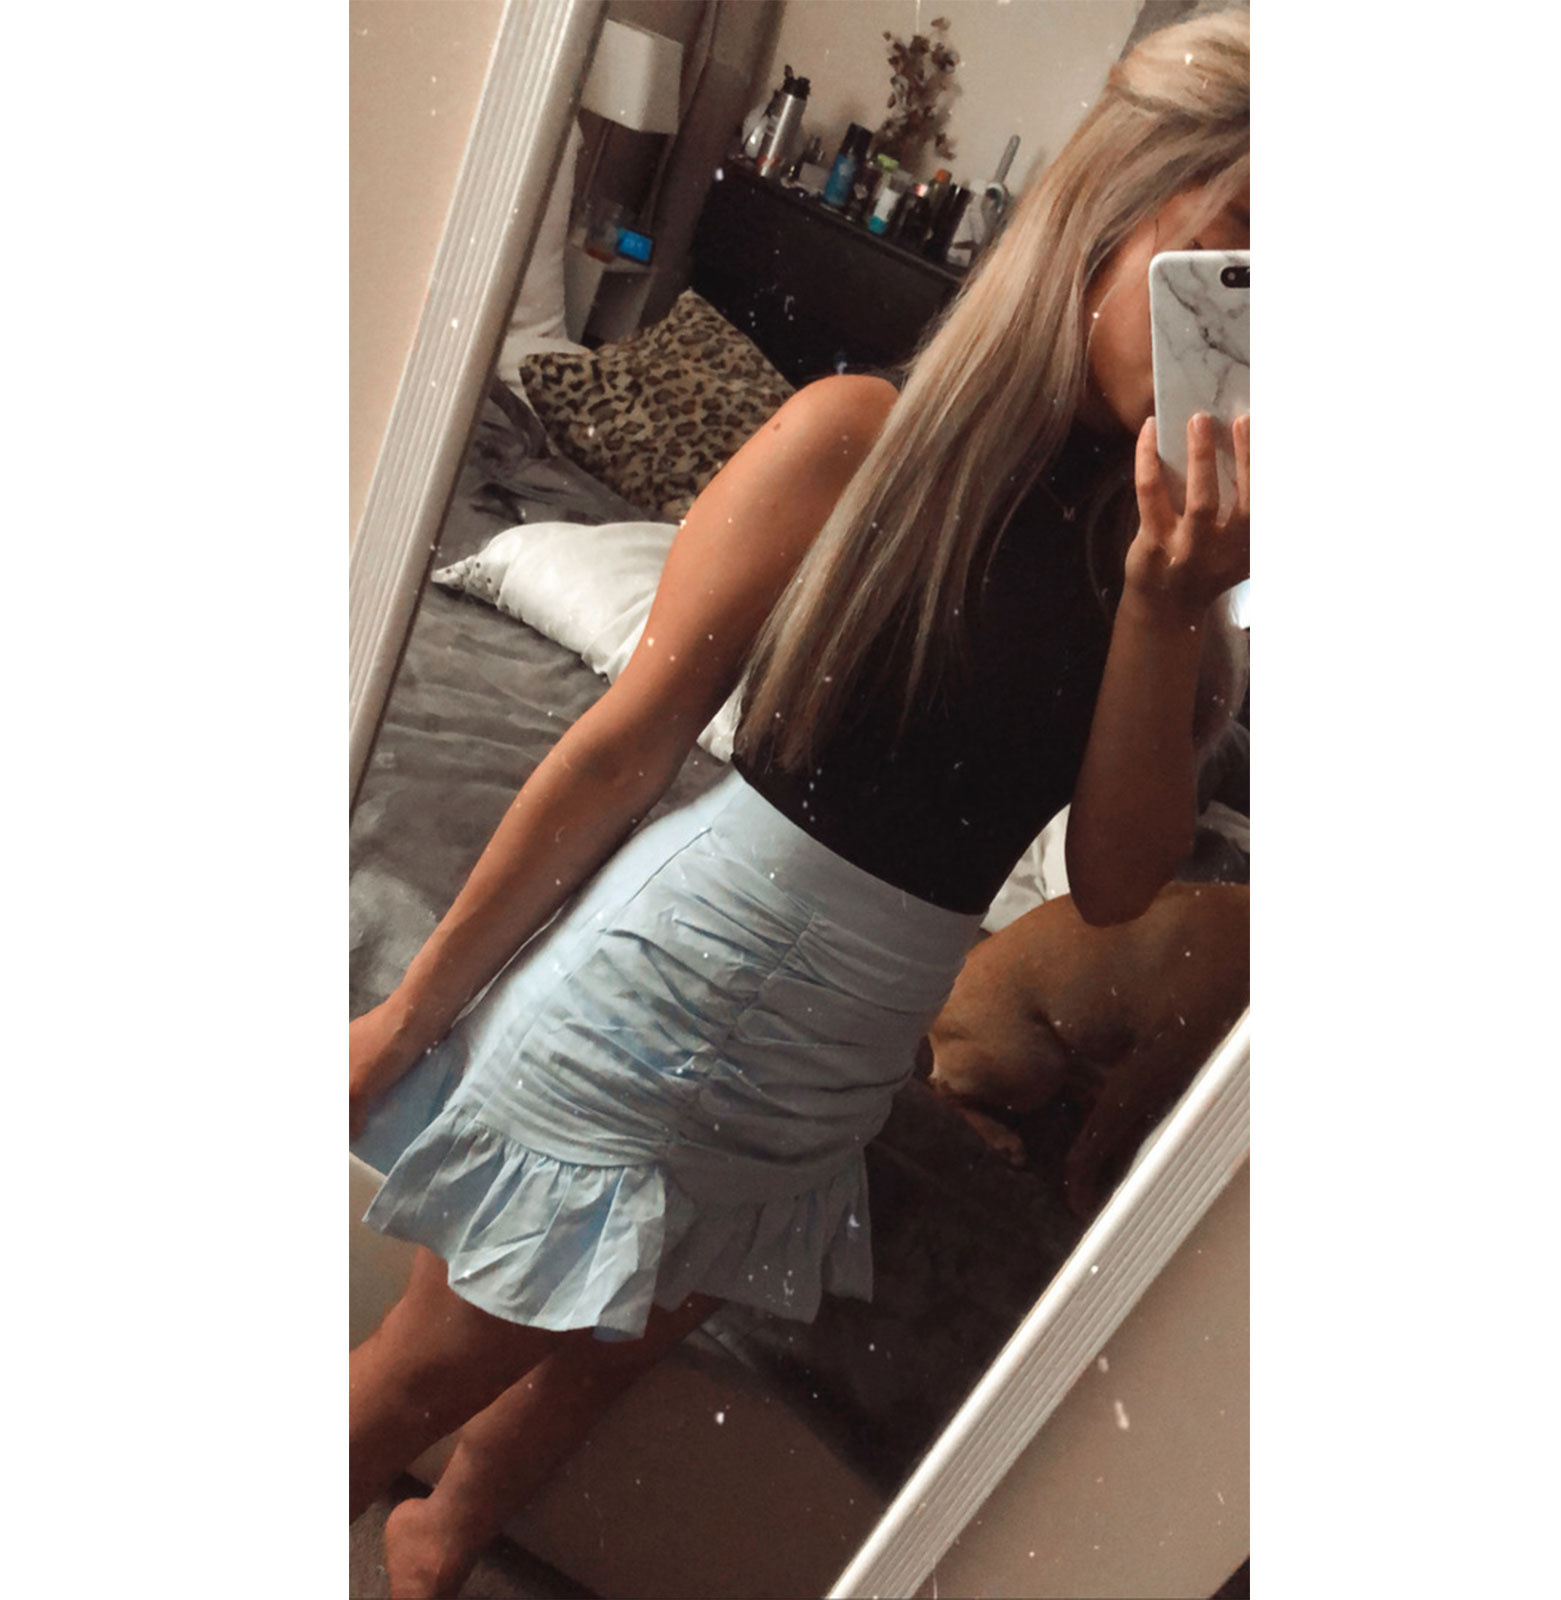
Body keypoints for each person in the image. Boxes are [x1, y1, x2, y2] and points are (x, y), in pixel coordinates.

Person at [350, 10, 1250, 1595]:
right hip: (666, 1002)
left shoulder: (1156, 563)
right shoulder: (855, 445)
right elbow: (625, 744)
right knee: (389, 1405)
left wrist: (1174, 605)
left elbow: (1115, 884)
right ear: (1113, 205)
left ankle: (435, 1549)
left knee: (598, 1364)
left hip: (838, 1069)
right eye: (1238, 247)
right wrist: (409, 1015)